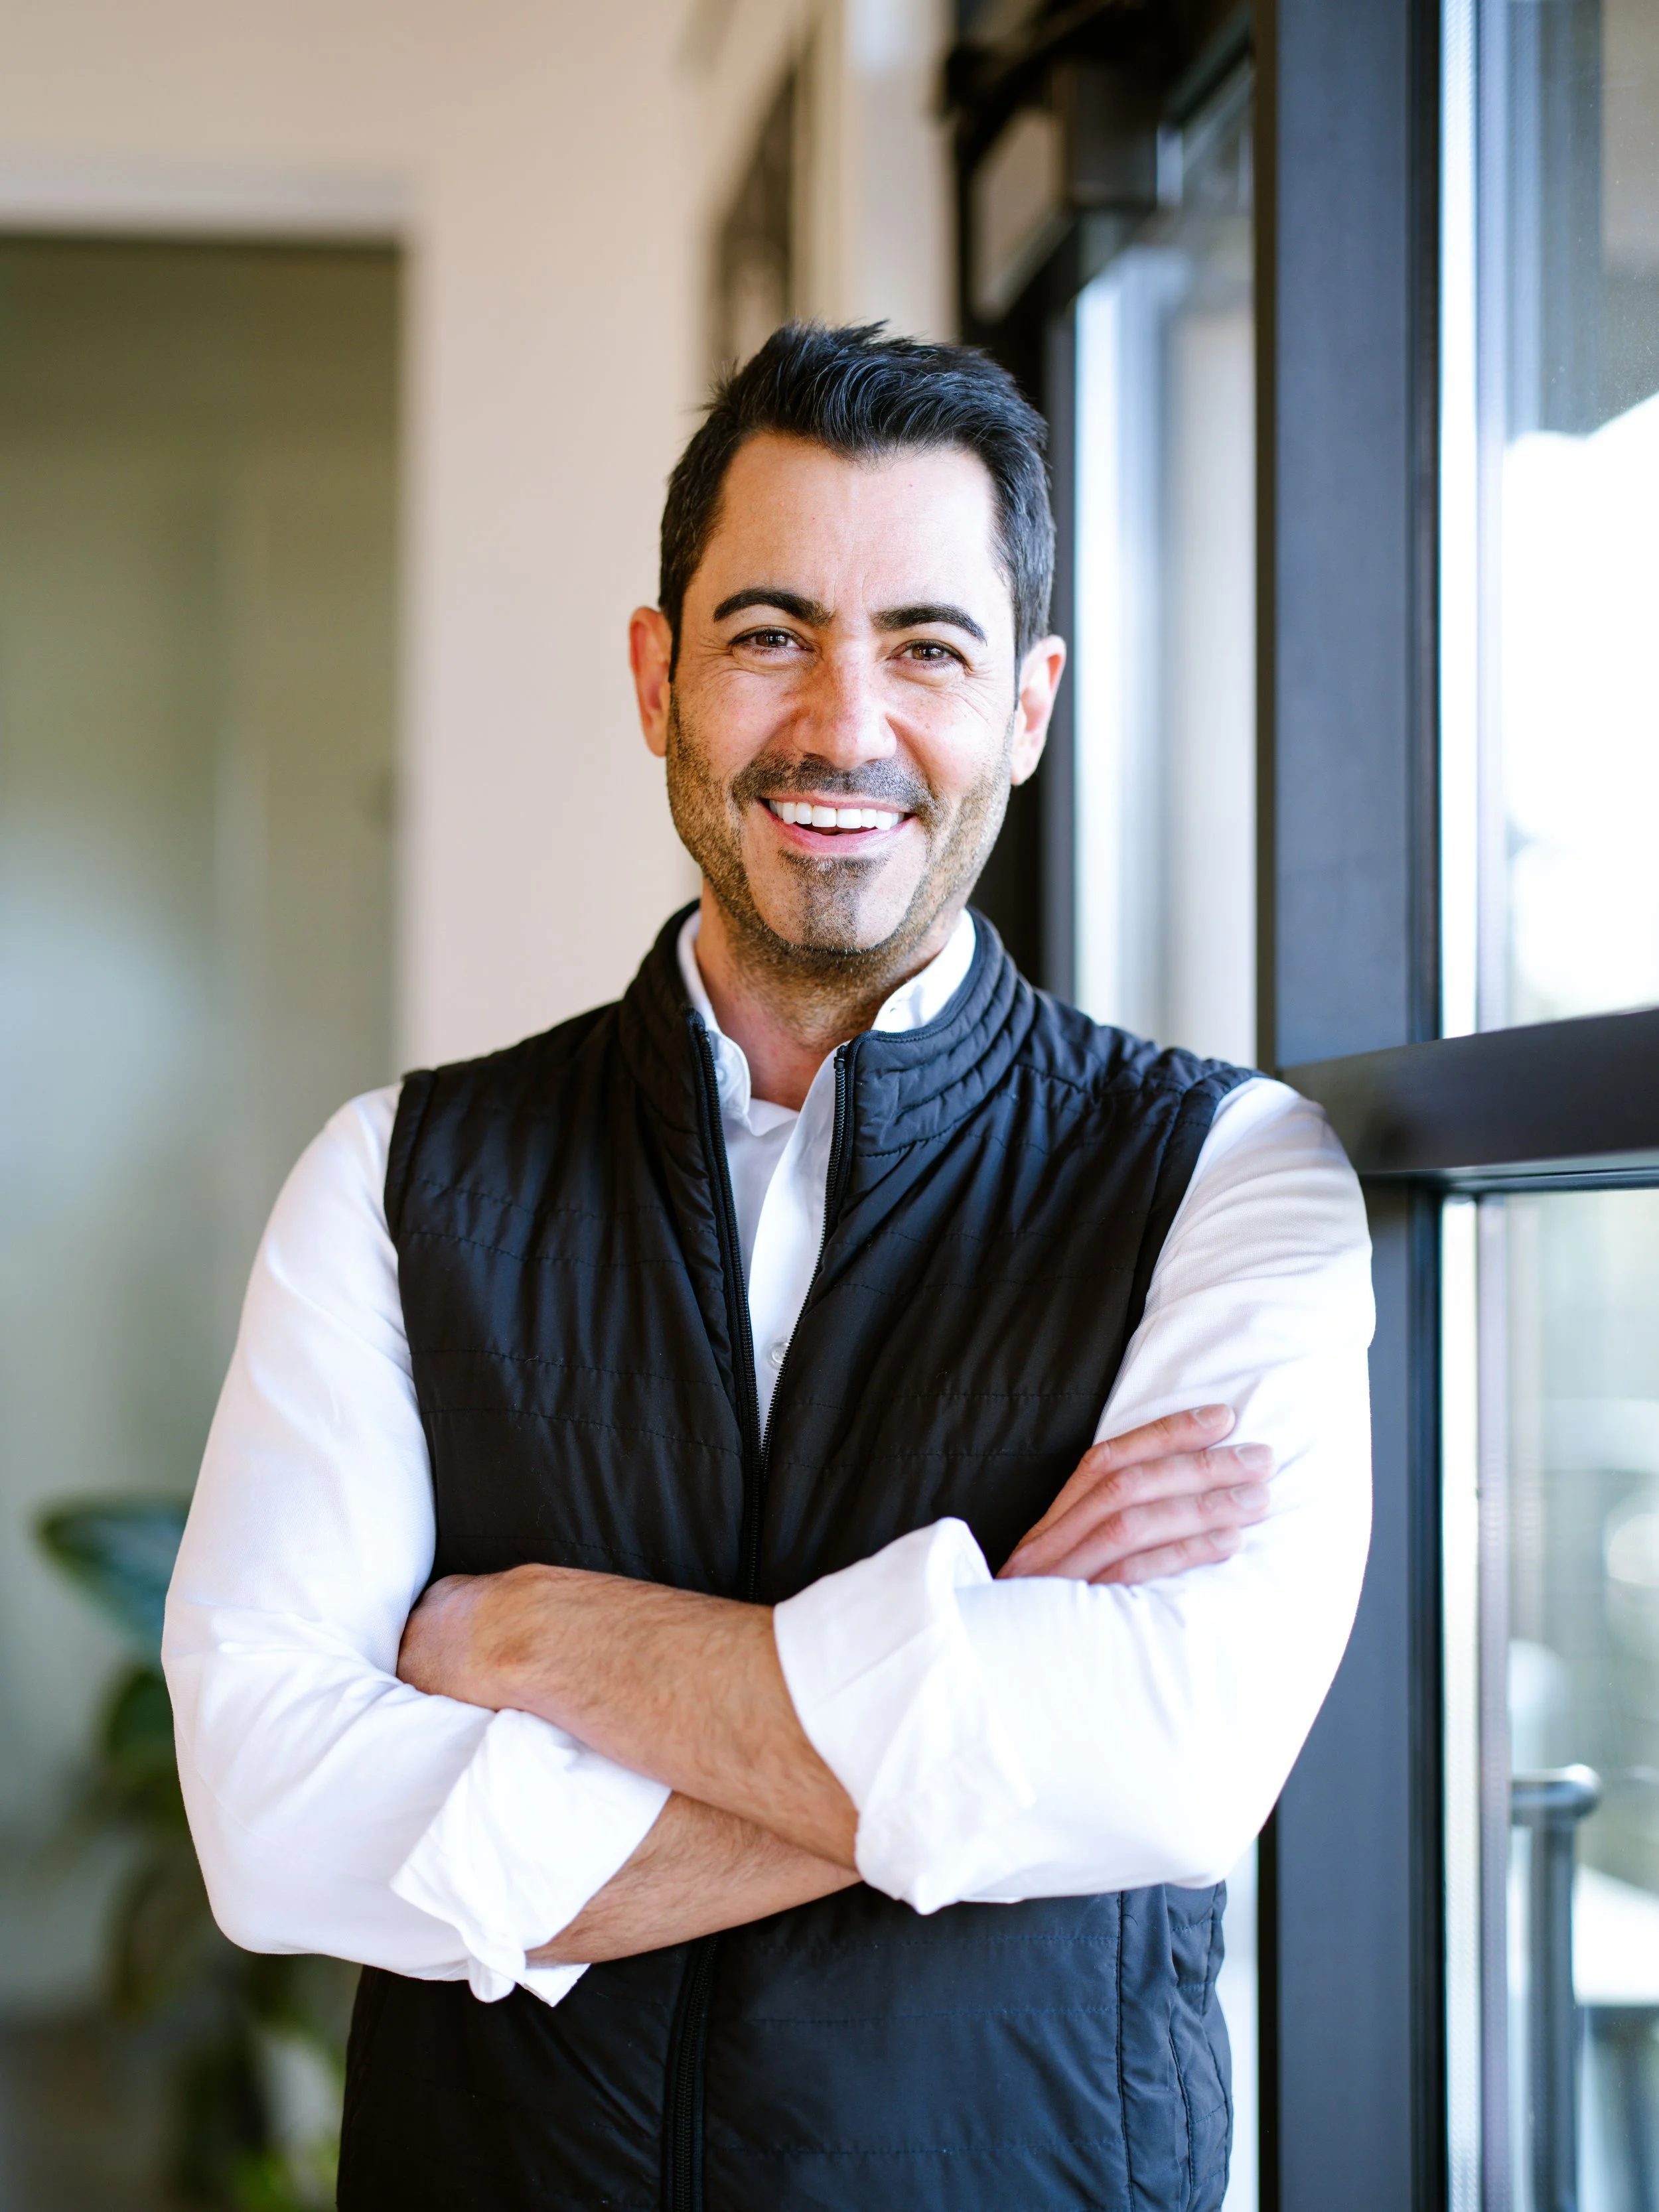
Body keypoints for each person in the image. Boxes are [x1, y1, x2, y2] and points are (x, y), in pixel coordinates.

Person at [163, 322, 1373, 2211]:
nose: (841, 724)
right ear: (656, 679)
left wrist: (535, 1641)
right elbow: (274, 1822)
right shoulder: (396, 1180)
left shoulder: (1223, 1176)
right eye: (766, 633)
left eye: (927, 647)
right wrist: (970, 1674)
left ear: (1029, 706)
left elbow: (1160, 1760)